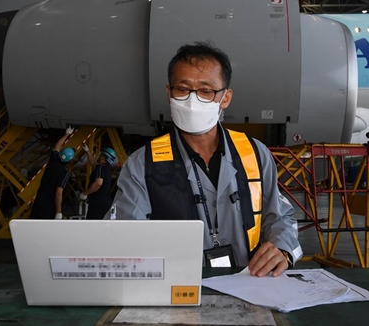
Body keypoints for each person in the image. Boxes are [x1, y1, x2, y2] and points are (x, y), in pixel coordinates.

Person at [115, 42, 302, 277]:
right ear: (168, 93)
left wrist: (283, 248)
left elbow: (280, 215)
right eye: (182, 89)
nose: (192, 102)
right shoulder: (143, 164)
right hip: (176, 287)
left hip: (248, 284)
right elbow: (124, 234)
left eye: (206, 91)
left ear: (225, 98)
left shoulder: (254, 153)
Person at [30, 127, 76, 219]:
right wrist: (58, 212)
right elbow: (58, 193)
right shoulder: (64, 172)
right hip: (49, 205)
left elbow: (56, 147)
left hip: (39, 200)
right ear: (69, 160)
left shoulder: (53, 160)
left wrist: (67, 134)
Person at [79, 145, 119, 219]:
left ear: (103, 157)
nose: (99, 156)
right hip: (104, 202)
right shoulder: (106, 167)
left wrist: (85, 193)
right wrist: (87, 151)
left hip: (97, 203)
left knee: (92, 225)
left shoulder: (100, 168)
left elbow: (98, 183)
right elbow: (94, 163)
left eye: (101, 154)